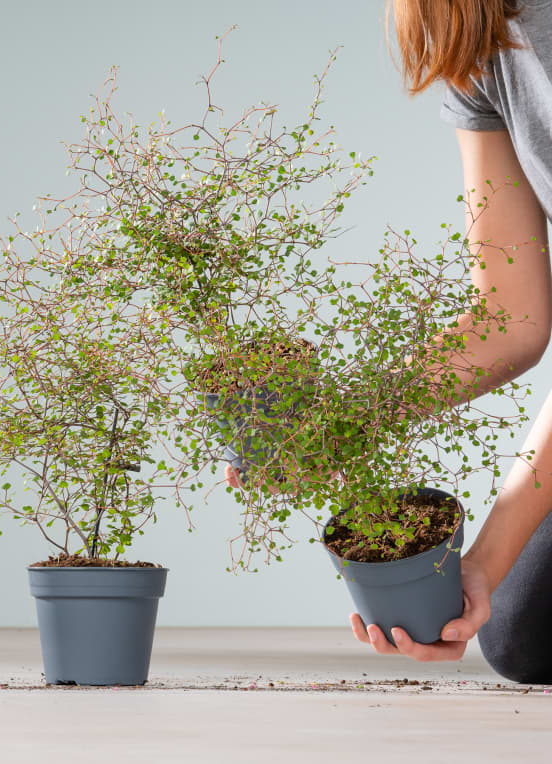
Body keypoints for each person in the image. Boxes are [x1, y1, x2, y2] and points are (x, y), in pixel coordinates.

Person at [226, 0, 552, 682]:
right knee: (529, 635)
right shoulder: (481, 34)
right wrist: (334, 427)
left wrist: (488, 557)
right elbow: (509, 318)